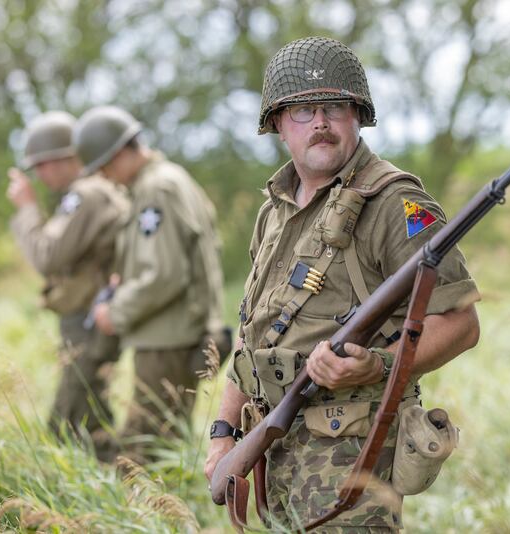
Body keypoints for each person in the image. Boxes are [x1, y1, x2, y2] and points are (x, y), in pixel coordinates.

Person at [204, 37, 481, 531]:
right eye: (303, 111)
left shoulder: (397, 205)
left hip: (351, 458)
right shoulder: (274, 210)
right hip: (275, 451)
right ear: (277, 125)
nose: (321, 123)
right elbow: (253, 336)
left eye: (334, 108)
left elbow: (460, 323)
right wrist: (224, 432)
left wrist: (378, 366)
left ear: (358, 116)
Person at [74, 106, 229, 458]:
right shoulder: (172, 179)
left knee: (145, 453)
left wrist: (116, 311)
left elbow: (164, 273)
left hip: (166, 340)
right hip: (174, 334)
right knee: (162, 445)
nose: (106, 177)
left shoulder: (156, 189)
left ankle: (152, 513)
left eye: (104, 166)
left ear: (119, 153)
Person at [7, 110, 129, 450]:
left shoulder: (86, 194)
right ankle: (124, 491)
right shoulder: (95, 191)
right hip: (89, 321)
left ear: (67, 158)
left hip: (91, 323)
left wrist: (27, 208)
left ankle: (133, 485)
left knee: (64, 423)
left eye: (43, 164)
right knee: (93, 420)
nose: (40, 174)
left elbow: (47, 257)